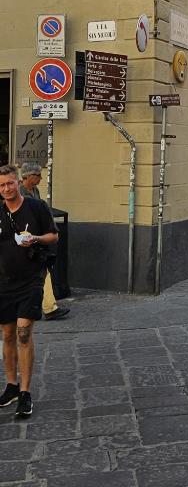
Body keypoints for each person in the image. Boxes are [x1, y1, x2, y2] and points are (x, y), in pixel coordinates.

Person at [0, 164, 59, 417]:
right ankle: (11, 385)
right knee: (8, 333)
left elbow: (53, 236)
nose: (6, 189)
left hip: (31, 279)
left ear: (18, 182)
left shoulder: (36, 207)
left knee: (24, 333)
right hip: (3, 282)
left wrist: (34, 238)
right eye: (1, 185)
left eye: (10, 183)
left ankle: (25, 392)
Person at [19, 164, 69, 322]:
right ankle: (46, 308)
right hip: (21, 239)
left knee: (41, 271)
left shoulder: (35, 191)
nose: (40, 178)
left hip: (34, 237)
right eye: (38, 175)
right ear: (29, 176)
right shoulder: (19, 192)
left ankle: (48, 307)